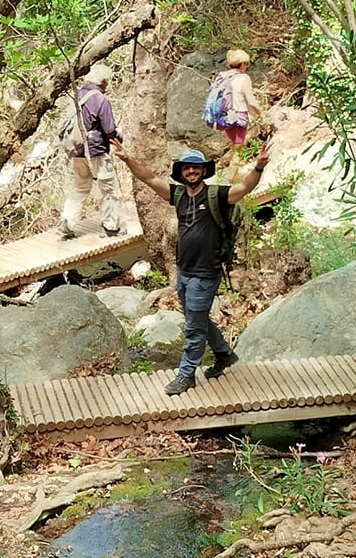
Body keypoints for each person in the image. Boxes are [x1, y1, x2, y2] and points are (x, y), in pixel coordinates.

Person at [111, 139, 271, 394]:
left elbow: (243, 188)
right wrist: (127, 158)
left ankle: (186, 375)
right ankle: (223, 354)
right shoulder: (178, 195)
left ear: (204, 171)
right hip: (184, 271)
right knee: (197, 319)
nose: (191, 171)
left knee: (193, 326)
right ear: (181, 172)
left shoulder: (217, 195)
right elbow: (149, 179)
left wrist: (259, 167)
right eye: (187, 168)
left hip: (205, 273)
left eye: (196, 168)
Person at [57, 62, 121, 239]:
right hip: (96, 151)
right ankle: (111, 226)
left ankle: (67, 221)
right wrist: (118, 139)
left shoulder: (75, 96)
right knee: (108, 189)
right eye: (107, 81)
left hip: (76, 150)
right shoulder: (100, 99)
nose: (107, 84)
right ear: (102, 81)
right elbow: (109, 129)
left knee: (80, 187)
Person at [205, 48, 261, 150]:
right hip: (239, 118)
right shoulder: (243, 78)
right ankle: (236, 165)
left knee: (234, 143)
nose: (247, 67)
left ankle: (235, 162)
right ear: (243, 63)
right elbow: (251, 102)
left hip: (224, 118)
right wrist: (261, 114)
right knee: (239, 147)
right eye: (247, 64)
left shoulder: (223, 76)